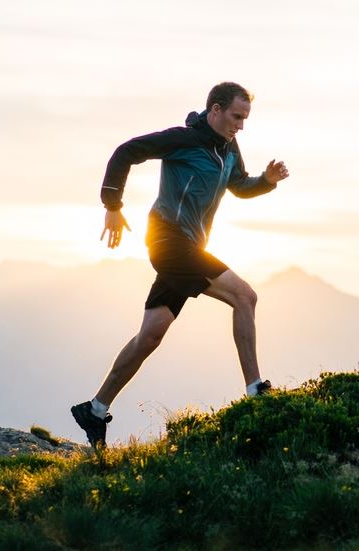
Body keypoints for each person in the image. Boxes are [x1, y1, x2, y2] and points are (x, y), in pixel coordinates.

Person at [71, 82, 290, 448]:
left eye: (245, 119)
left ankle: (94, 409)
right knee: (245, 296)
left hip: (190, 245)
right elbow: (126, 152)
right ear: (215, 110)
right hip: (168, 241)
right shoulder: (183, 139)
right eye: (236, 116)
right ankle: (256, 391)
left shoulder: (229, 149)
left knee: (150, 335)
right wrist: (113, 205)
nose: (241, 125)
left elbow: (238, 185)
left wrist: (265, 182)